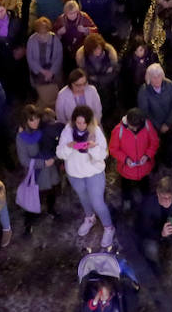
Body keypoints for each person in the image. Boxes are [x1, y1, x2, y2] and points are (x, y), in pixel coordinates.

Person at [56, 104, 116, 247]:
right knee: (83, 198)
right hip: (75, 174)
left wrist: (92, 148)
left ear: (89, 122)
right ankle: (90, 218)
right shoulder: (68, 131)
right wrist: (69, 147)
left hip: (94, 172)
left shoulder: (95, 131)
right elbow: (59, 153)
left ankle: (109, 227)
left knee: (97, 202)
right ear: (74, 121)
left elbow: (104, 154)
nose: (81, 126)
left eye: (84, 122)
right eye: (78, 122)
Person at [136, 176, 172, 274]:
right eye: (164, 197)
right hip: (153, 233)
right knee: (151, 249)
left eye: (170, 197)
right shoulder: (147, 204)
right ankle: (155, 268)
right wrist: (161, 234)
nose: (167, 201)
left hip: (169, 227)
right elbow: (143, 229)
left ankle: (171, 245)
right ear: (158, 193)